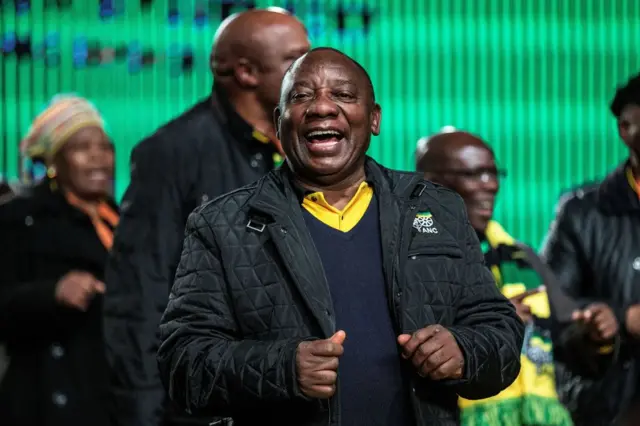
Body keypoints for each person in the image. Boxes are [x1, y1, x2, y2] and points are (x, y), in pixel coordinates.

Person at [157, 47, 524, 426]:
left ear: (375, 118)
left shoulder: (437, 209)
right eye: (302, 96)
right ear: (278, 122)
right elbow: (182, 364)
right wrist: (282, 369)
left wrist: (464, 351)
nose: (321, 108)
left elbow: (501, 333)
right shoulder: (221, 224)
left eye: (344, 95)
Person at [103, 9, 310, 426]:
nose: (312, 72)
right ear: (247, 72)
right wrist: (142, 414)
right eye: (296, 60)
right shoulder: (171, 153)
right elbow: (141, 292)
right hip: (210, 406)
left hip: (299, 399)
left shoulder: (313, 146)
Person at [416, 129, 574, 426]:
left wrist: (598, 329)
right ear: (430, 182)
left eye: (493, 172)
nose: (490, 184)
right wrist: (497, 323)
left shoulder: (521, 258)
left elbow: (571, 334)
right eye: (474, 173)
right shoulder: (412, 259)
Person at [0, 95, 117, 426]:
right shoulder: (20, 221)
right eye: (81, 147)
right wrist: (51, 294)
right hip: (48, 399)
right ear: (54, 160)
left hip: (112, 397)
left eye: (104, 147)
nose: (98, 157)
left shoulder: (123, 221)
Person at [541, 72, 640, 425]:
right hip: (610, 405)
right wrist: (620, 318)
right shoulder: (582, 212)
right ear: (626, 129)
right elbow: (553, 306)